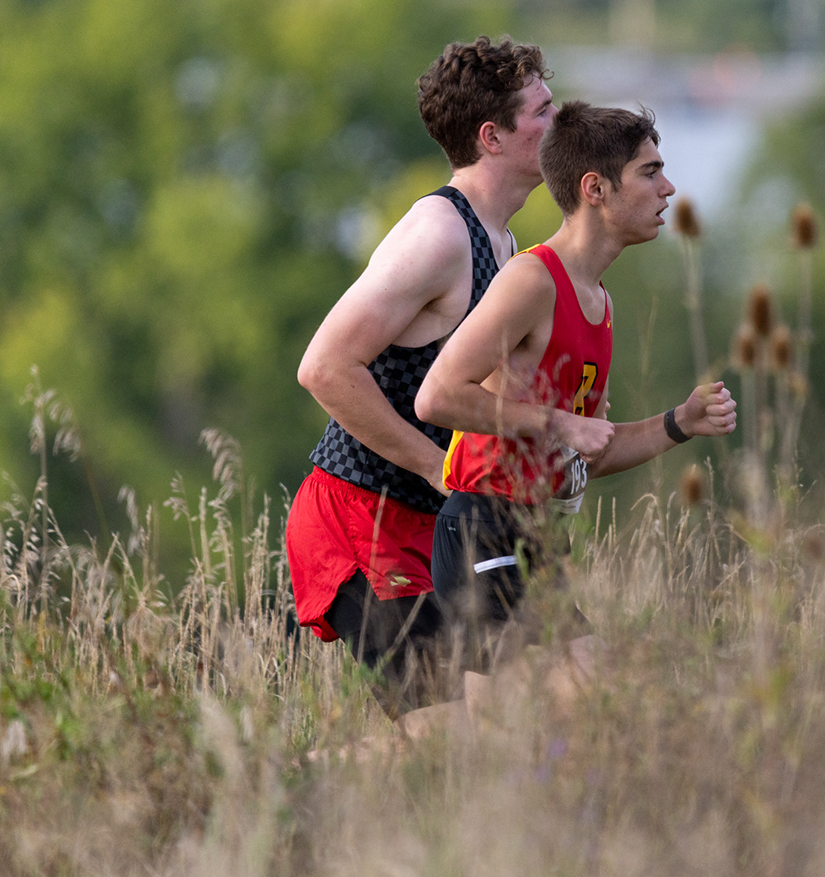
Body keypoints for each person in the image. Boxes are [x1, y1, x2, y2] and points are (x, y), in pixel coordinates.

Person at [414, 101, 736, 674]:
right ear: (595, 189)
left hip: (539, 543)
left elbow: (588, 451)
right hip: (484, 530)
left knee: (583, 703)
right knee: (565, 697)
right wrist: (559, 421)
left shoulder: (600, 301)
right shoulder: (532, 280)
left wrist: (680, 422)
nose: (668, 189)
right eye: (650, 172)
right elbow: (436, 396)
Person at [287, 36, 554, 722]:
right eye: (543, 112)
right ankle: (290, 782)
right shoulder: (439, 233)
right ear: (492, 137)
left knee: (511, 718)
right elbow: (324, 368)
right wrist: (438, 468)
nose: (559, 123)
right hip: (359, 515)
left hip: (441, 525)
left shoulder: (505, 242)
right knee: (444, 735)